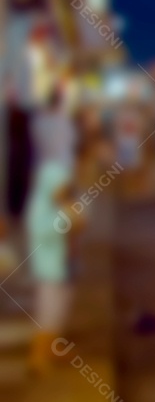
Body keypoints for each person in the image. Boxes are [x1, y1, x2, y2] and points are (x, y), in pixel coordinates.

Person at [26, 87, 77, 374]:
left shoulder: (38, 123)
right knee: (50, 303)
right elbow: (62, 199)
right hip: (51, 248)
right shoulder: (55, 173)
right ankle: (39, 358)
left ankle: (50, 351)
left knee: (58, 301)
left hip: (56, 246)